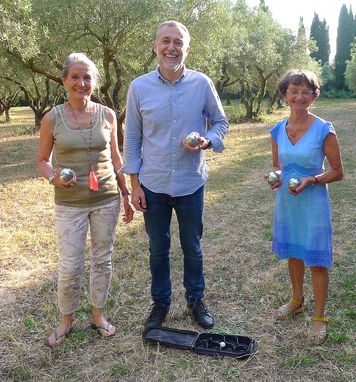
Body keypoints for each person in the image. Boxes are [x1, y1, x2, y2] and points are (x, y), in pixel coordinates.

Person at [123, 20, 228, 331]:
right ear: (155, 46)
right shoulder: (138, 87)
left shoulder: (202, 84)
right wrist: (134, 184)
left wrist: (207, 141)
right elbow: (131, 138)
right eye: (165, 41)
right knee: (158, 248)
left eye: (178, 42)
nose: (171, 48)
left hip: (190, 183)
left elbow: (221, 123)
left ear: (187, 48)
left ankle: (196, 300)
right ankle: (161, 302)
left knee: (192, 246)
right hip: (152, 184)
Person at [37, 53, 134, 348]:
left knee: (102, 260)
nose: (82, 83)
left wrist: (126, 195)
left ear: (95, 82)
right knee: (70, 265)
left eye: (88, 77)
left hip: (107, 199)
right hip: (69, 203)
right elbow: (42, 160)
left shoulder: (107, 115)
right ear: (64, 81)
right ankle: (66, 320)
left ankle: (97, 315)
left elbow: (116, 158)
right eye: (76, 77)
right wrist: (54, 177)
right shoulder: (52, 118)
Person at [268, 70, 344, 345]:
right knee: (294, 253)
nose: (299, 96)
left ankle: (319, 316)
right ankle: (297, 300)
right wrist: (274, 178)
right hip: (287, 201)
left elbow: (338, 171)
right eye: (294, 91)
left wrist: (313, 179)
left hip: (313, 201)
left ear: (313, 97)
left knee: (316, 260)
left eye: (305, 92)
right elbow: (278, 166)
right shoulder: (277, 129)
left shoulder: (324, 129)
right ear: (285, 94)